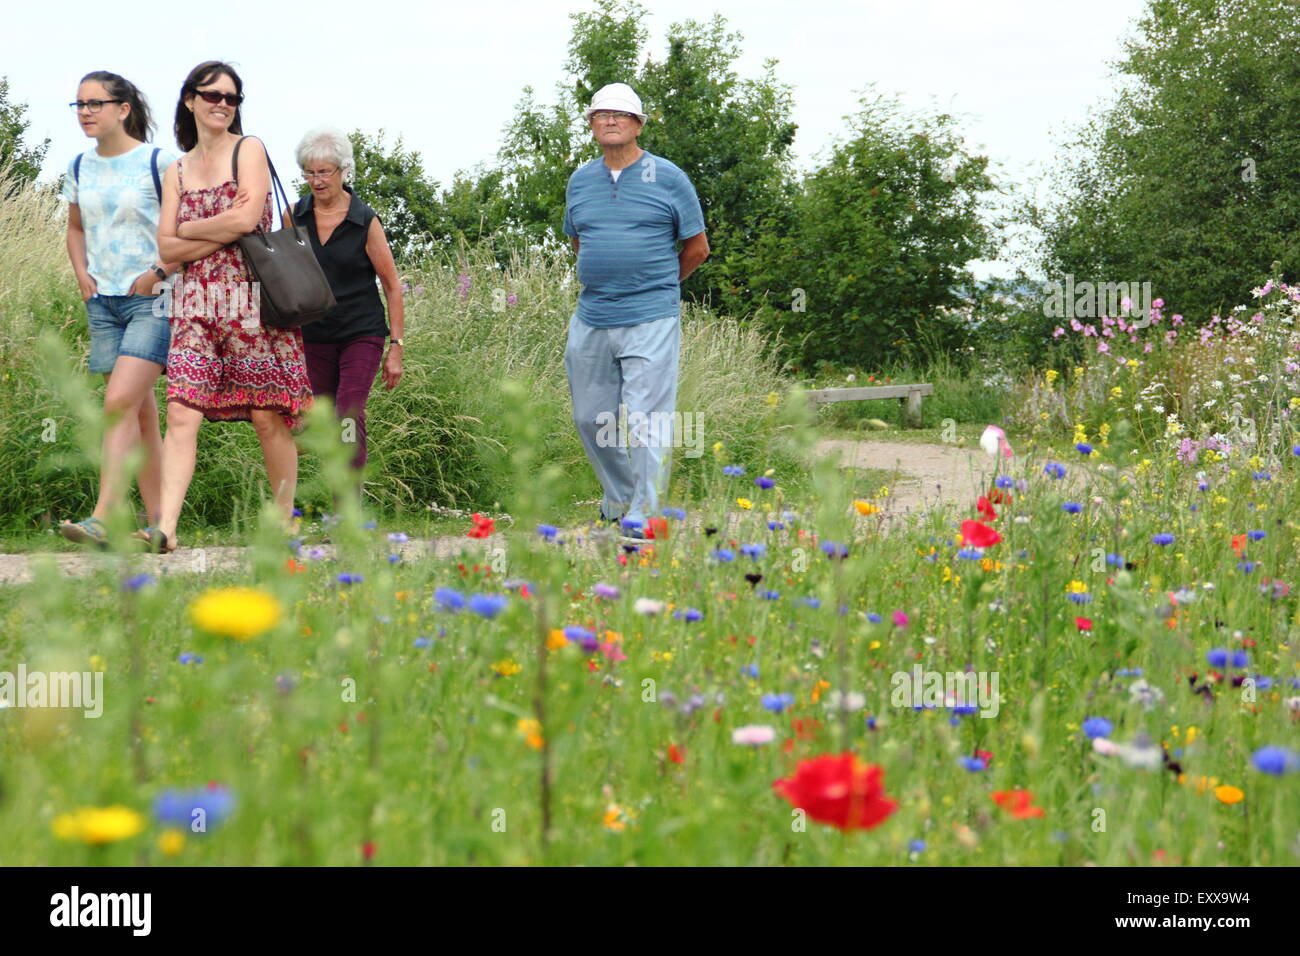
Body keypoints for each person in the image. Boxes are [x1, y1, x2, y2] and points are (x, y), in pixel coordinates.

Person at [139, 61, 313, 553]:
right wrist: (218, 227)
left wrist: (188, 230)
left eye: (231, 98)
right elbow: (167, 252)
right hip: (195, 304)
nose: (222, 104)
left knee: (266, 415)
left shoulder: (249, 149)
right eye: (211, 95)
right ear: (190, 100)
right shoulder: (176, 170)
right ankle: (166, 528)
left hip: (251, 300)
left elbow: (243, 219)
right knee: (181, 412)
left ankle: (284, 519)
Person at [562, 83, 709, 539]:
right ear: (590, 124)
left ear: (638, 124)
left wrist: (659, 286)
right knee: (591, 417)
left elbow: (697, 248)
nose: (609, 120)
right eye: (600, 114)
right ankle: (621, 497)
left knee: (646, 421)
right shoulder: (580, 180)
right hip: (592, 315)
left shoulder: (668, 177)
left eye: (620, 115)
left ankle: (643, 517)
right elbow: (579, 240)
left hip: (651, 316)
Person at [59, 71, 180, 549]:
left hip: (154, 300)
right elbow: (75, 227)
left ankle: (104, 515)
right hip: (102, 301)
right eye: (79, 105)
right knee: (140, 416)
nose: (86, 112)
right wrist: (80, 272)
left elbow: (187, 231)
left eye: (96, 103)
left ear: (123, 108)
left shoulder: (159, 162)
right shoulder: (79, 166)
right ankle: (159, 529)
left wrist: (159, 270)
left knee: (117, 405)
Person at [292, 127, 404, 474]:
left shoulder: (364, 220)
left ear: (344, 171)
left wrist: (396, 346)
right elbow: (284, 276)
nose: (317, 180)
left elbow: (391, 285)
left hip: (361, 333)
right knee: (320, 420)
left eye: (324, 171)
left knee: (348, 413)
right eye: (309, 172)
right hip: (314, 336)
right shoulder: (294, 216)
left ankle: (347, 512)